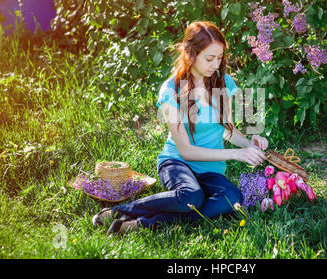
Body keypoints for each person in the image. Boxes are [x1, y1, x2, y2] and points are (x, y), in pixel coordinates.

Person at [92, 21, 268, 234]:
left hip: (211, 170)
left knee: (231, 199)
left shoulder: (224, 82)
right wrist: (237, 154)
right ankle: (120, 211)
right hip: (177, 163)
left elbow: (227, 129)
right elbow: (186, 150)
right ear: (190, 54)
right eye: (209, 58)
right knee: (191, 196)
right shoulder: (170, 90)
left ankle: (140, 225)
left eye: (219, 58)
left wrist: (250, 144)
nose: (215, 64)